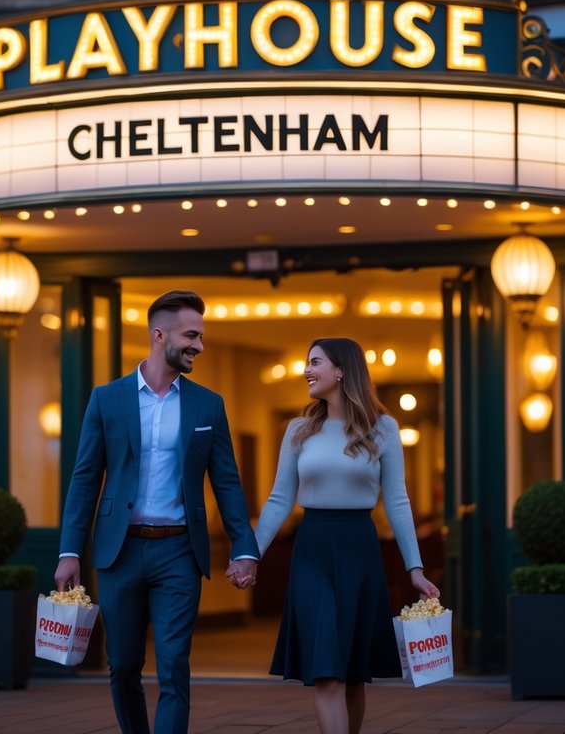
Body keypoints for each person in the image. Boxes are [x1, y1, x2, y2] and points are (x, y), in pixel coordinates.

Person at [54, 289, 259, 734]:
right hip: (119, 552)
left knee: (173, 664)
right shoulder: (107, 399)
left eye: (201, 337)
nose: (198, 346)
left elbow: (226, 482)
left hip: (179, 553)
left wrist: (244, 547)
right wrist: (68, 550)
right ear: (159, 334)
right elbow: (85, 479)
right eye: (191, 335)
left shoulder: (209, 405)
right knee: (123, 664)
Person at [254, 337, 439, 734]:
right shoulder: (298, 430)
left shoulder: (384, 427)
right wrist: (249, 555)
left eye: (315, 362)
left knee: (354, 673)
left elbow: (399, 501)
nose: (307, 370)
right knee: (327, 671)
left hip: (359, 548)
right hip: (312, 549)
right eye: (307, 362)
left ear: (341, 370)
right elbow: (279, 498)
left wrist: (415, 568)